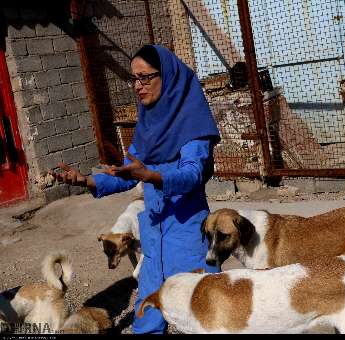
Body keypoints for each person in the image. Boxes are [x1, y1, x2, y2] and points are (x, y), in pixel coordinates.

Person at [51, 44, 221, 334]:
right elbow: (129, 173)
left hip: (186, 234)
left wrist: (154, 176)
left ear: (167, 77)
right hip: (153, 236)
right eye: (134, 78)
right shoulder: (148, 126)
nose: (138, 86)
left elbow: (192, 175)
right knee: (147, 317)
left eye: (145, 77)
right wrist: (88, 181)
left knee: (204, 316)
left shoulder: (191, 123)